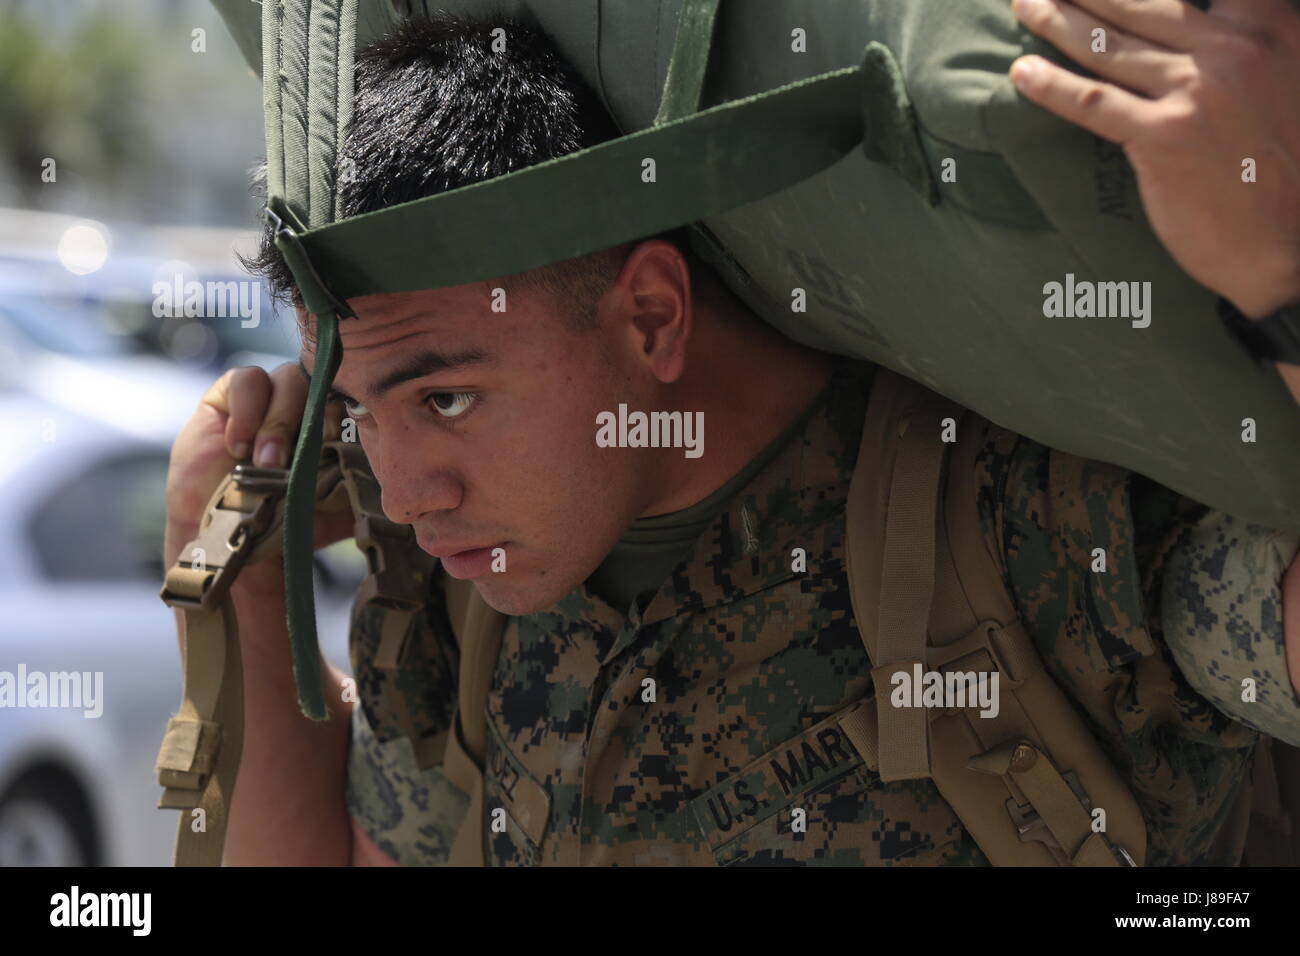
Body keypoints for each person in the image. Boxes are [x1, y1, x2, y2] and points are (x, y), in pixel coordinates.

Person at [163, 6, 1300, 865]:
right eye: (357, 410)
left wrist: (1283, 280)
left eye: (445, 399)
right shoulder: (487, 596)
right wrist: (236, 578)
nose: (406, 492)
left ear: (652, 315)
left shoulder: (1020, 530)